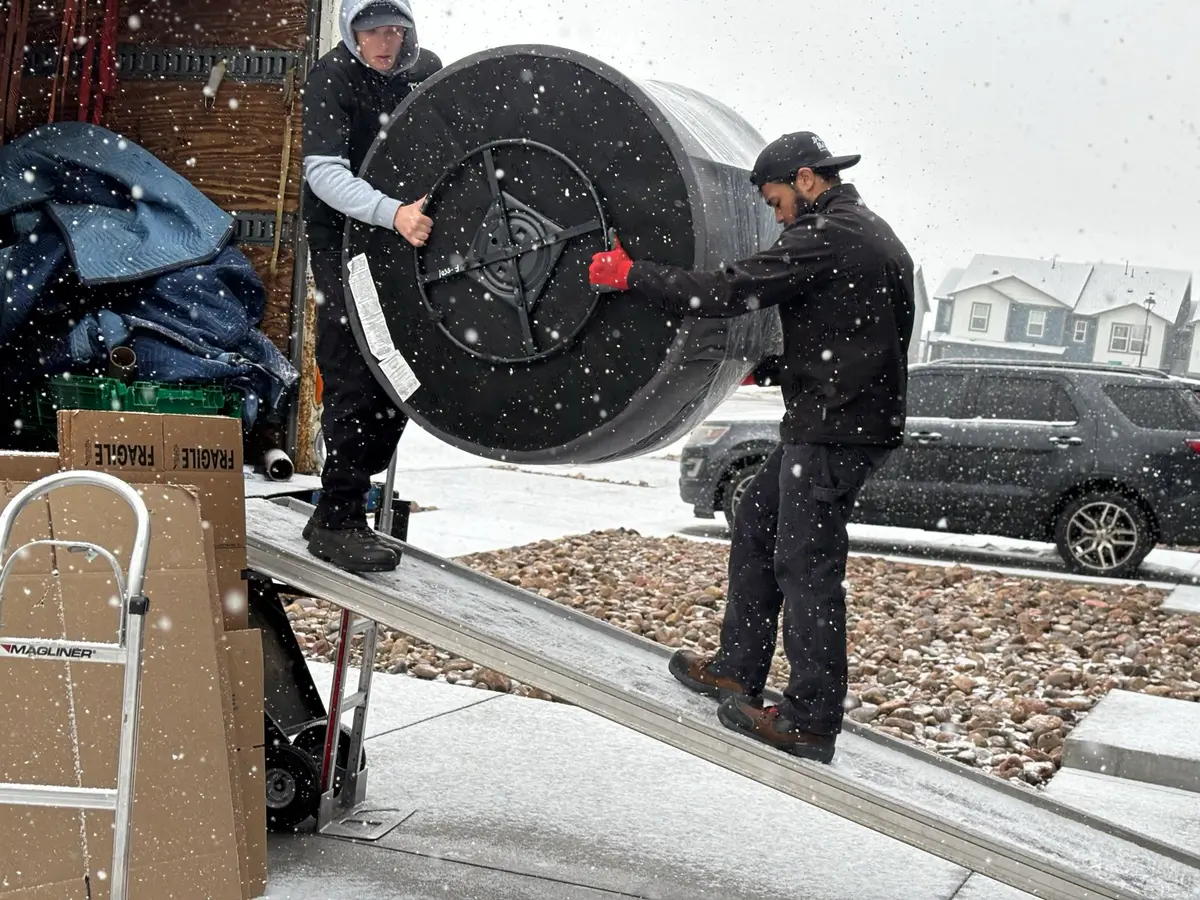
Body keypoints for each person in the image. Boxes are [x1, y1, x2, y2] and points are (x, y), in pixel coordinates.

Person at [589, 132, 915, 762]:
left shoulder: (829, 234)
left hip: (835, 428)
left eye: (775, 201)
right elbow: (855, 332)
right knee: (759, 517)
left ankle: (810, 720)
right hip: (838, 418)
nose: (776, 214)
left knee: (806, 567)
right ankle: (740, 668)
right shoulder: (867, 232)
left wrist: (632, 275)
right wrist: (772, 369)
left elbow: (725, 292)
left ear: (805, 179)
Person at [300, 0, 440, 573]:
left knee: (403, 369)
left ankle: (347, 498)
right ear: (350, 32)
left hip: (406, 237)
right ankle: (337, 516)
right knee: (356, 364)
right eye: (370, 31)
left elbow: (453, 137)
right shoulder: (330, 78)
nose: (384, 42)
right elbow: (324, 173)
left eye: (393, 30)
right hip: (343, 238)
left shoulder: (426, 69)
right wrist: (391, 213)